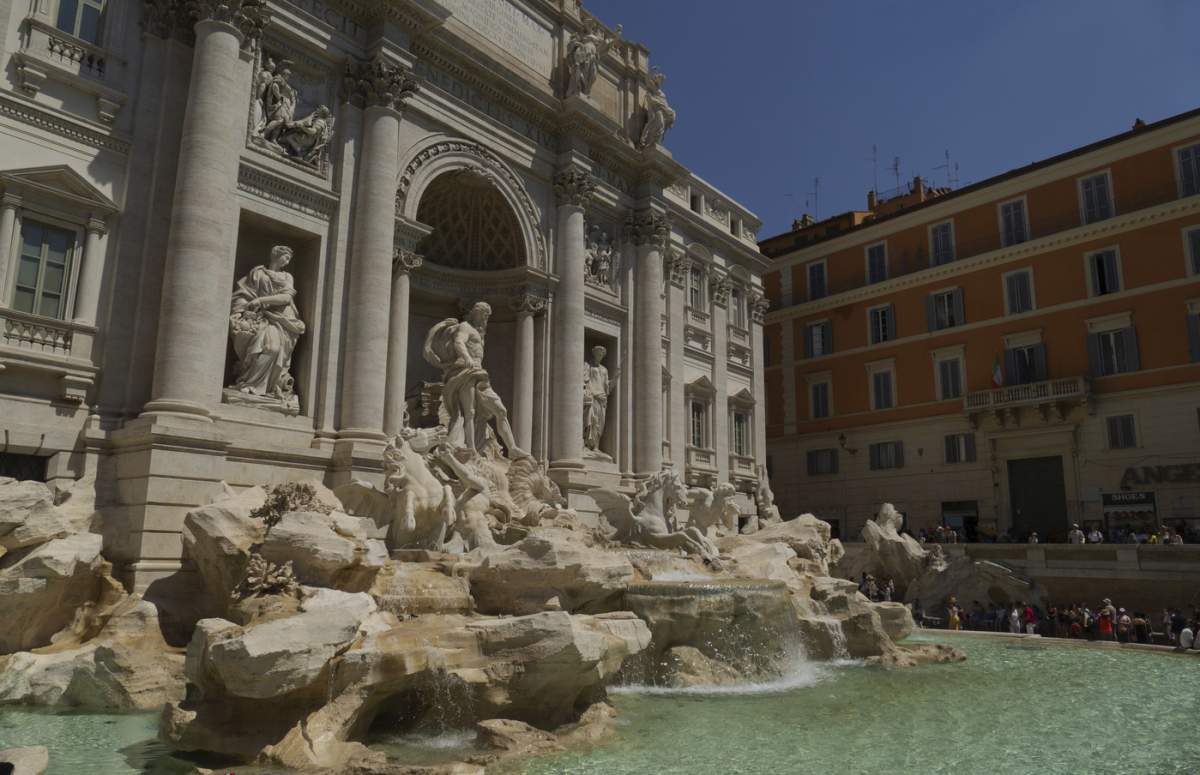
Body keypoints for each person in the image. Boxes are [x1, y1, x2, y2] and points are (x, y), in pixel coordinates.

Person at [228, 245, 306, 405]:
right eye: (285, 257)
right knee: (264, 348)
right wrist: (244, 309)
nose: (287, 261)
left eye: (290, 259)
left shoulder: (287, 277)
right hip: (260, 317)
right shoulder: (257, 273)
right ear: (275, 255)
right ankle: (249, 384)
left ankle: (264, 387)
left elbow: (286, 298)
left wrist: (260, 301)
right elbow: (243, 294)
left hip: (282, 319)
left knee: (274, 349)